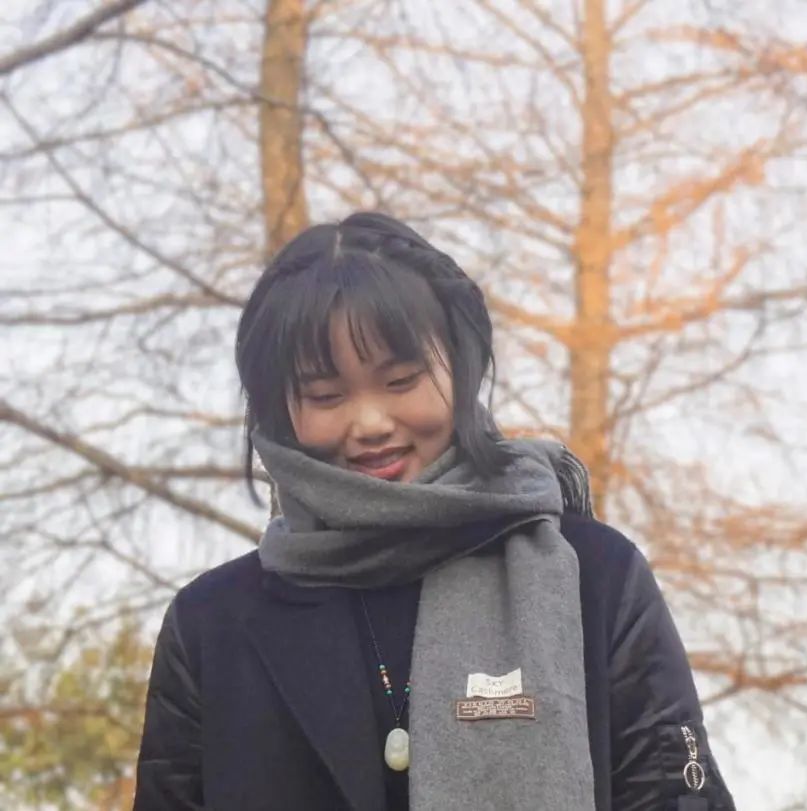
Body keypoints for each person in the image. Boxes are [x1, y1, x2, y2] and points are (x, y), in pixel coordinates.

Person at [133, 212, 737, 810]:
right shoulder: (213, 625)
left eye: (401, 381)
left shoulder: (595, 578)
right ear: (279, 408)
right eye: (326, 395)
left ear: (461, 364)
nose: (370, 423)